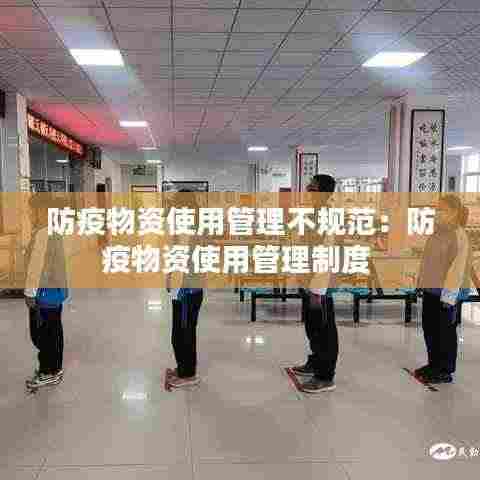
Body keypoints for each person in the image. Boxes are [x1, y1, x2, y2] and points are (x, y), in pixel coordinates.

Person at [415, 194, 471, 384]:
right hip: (432, 290)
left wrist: (449, 297)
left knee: (444, 332)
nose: (437, 213)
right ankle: (433, 364)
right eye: (437, 209)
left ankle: (445, 370)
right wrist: (420, 283)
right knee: (430, 328)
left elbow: (457, 269)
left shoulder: (458, 235)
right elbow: (427, 261)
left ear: (454, 212)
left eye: (442, 209)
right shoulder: (437, 233)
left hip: (448, 293)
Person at [292, 174, 338, 393]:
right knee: (312, 326)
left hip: (320, 283)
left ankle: (325, 376)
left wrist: (317, 288)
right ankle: (315, 362)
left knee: (324, 328)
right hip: (309, 279)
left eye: (313, 186)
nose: (308, 188)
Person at [25, 193, 68, 389]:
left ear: (42, 211)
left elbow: (36, 267)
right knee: (54, 331)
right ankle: (54, 368)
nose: (30, 214)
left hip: (44, 294)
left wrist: (29, 293)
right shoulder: (54, 231)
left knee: (42, 335)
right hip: (55, 293)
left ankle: (48, 371)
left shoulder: (43, 233)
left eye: (32, 211)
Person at [167, 189, 204, 389]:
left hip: (189, 291)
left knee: (185, 333)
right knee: (178, 334)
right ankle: (182, 367)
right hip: (179, 289)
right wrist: (169, 276)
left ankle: (188, 374)